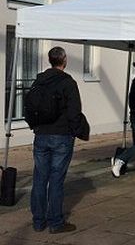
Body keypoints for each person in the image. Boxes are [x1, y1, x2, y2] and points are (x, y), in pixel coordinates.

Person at [30, 46, 90, 234]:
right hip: (61, 136)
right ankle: (55, 222)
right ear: (64, 60)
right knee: (56, 180)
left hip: (41, 135)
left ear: (50, 60)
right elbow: (74, 112)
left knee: (39, 179)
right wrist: (77, 131)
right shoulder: (68, 82)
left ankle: (38, 222)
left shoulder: (39, 81)